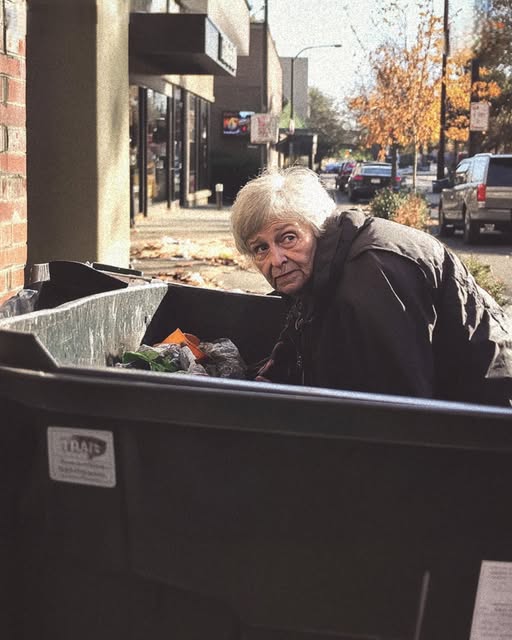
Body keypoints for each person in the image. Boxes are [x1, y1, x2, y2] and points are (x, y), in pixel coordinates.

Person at [230, 165, 512, 407]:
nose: (276, 259)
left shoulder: (370, 278)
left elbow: (397, 408)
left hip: (487, 420)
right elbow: (303, 327)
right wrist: (274, 373)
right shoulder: (323, 266)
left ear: (317, 228)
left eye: (288, 238)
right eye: (260, 248)